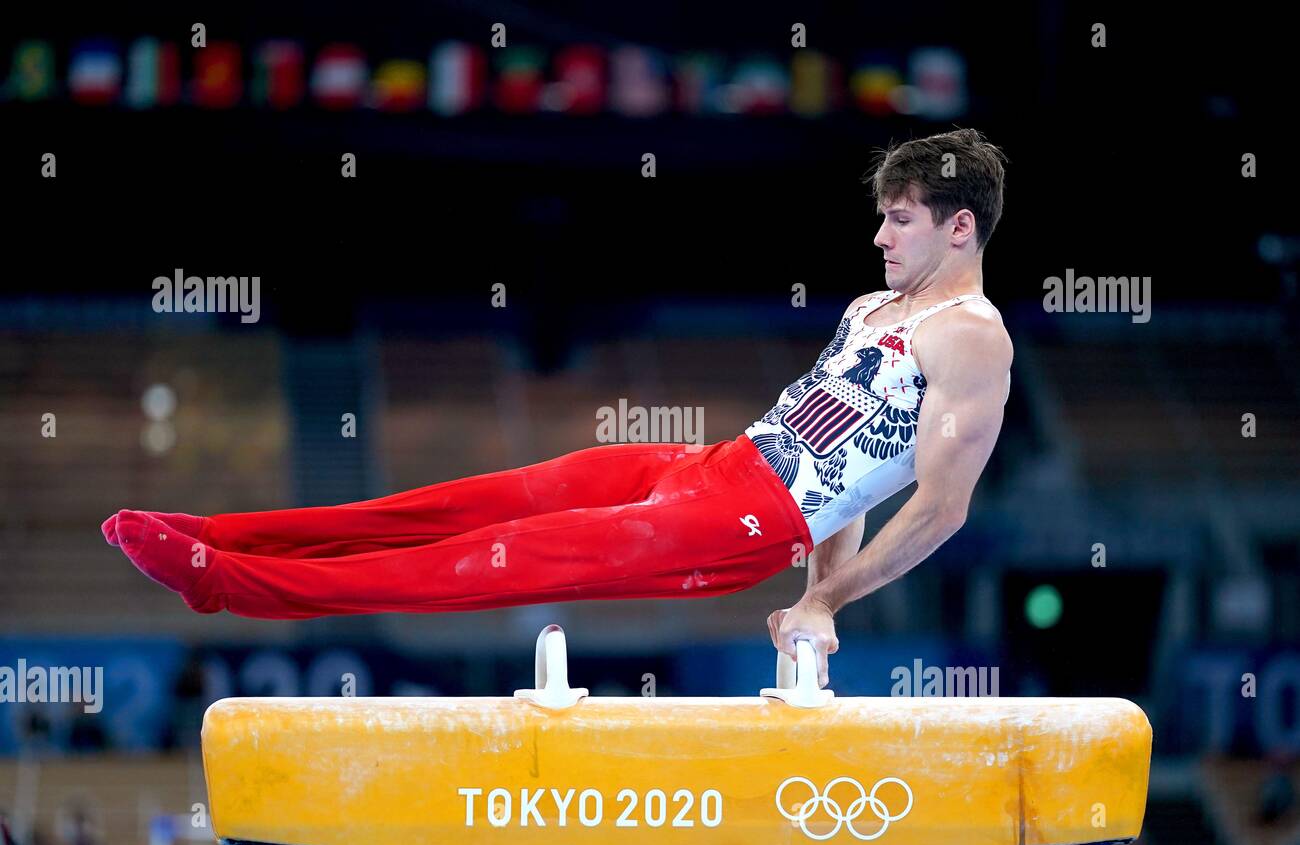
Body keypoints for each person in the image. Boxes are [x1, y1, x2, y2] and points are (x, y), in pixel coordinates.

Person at [105, 128, 1013, 688]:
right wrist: (820, 588)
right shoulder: (872, 308)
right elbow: (848, 491)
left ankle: (222, 582)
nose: (879, 234)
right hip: (711, 466)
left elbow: (941, 507)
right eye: (884, 215)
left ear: (959, 226)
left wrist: (827, 601)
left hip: (742, 523)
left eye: (900, 219)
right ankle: (227, 533)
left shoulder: (972, 337)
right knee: (465, 505)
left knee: (482, 563)